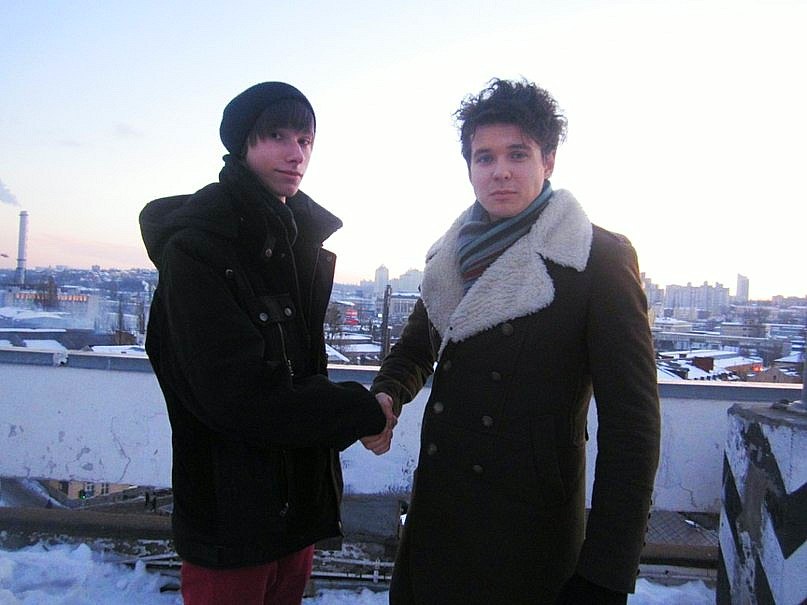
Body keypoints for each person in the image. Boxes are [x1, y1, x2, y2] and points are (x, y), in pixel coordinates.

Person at [370, 79, 661, 604]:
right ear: (469, 168)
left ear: (548, 161)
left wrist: (606, 573)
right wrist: (388, 394)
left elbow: (632, 428)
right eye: (484, 157)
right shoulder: (449, 254)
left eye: (517, 154)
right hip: (436, 522)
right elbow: (417, 347)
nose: (499, 170)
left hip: (530, 536)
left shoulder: (596, 259)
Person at [140, 81, 395, 605]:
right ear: (242, 144)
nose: (296, 153)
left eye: (305, 140)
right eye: (277, 136)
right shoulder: (198, 249)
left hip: (293, 515)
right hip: (229, 525)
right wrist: (361, 412)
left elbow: (298, 373)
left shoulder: (293, 245)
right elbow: (239, 394)